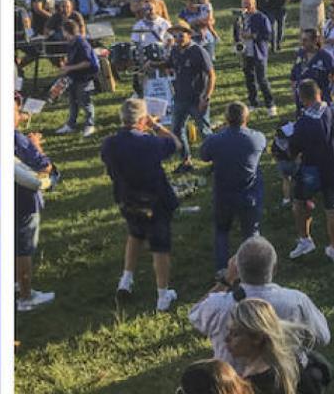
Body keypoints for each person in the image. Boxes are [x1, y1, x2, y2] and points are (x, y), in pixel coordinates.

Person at [190, 236, 329, 372]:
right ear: (274, 269)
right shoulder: (296, 301)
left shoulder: (217, 305)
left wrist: (227, 279)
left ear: (237, 269)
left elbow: (194, 314)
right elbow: (323, 337)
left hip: (232, 384)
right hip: (283, 382)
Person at [101, 96, 181, 312]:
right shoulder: (150, 142)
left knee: (135, 234)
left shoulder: (109, 144)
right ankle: (163, 295)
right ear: (143, 119)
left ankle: (126, 280)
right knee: (160, 247)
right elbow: (175, 143)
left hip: (127, 198)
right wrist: (156, 126)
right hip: (155, 200)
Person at [198, 102, 268, 276]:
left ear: (226, 119)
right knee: (251, 233)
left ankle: (223, 269)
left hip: (224, 194)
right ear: (246, 118)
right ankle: (254, 269)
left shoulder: (215, 140)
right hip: (249, 194)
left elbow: (204, 155)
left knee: (222, 231)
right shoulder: (257, 138)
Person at [286, 78, 334, 264]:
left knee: (299, 203)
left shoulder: (304, 123)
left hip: (311, 172)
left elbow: (292, 151)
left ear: (303, 99)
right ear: (319, 93)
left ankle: (305, 240)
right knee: (333, 210)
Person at [13, 100, 57, 312]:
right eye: (15, 110)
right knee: (24, 249)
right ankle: (26, 297)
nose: (19, 113)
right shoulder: (17, 139)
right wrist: (36, 144)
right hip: (25, 201)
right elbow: (45, 166)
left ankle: (15, 284)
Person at [168, 17, 217, 171]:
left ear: (189, 35)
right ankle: (186, 160)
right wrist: (154, 63)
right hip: (180, 98)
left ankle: (217, 162)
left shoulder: (198, 51)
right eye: (174, 36)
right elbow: (170, 64)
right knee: (176, 129)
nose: (177, 39)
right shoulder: (175, 50)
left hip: (197, 99)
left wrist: (206, 97)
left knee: (205, 131)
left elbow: (212, 75)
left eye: (180, 35)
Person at [53, 15, 101, 134]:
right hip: (74, 76)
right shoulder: (72, 42)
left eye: (63, 31)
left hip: (84, 78)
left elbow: (87, 62)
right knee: (72, 101)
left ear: (66, 31)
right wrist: (66, 64)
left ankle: (90, 124)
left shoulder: (81, 43)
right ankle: (71, 124)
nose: (63, 34)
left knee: (85, 101)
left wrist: (69, 67)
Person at [236, 0, 278, 116]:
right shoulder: (240, 17)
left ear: (254, 4)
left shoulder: (261, 17)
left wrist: (253, 36)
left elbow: (268, 35)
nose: (246, 7)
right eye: (244, 4)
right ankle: (253, 102)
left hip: (258, 52)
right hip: (245, 52)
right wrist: (238, 37)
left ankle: (270, 105)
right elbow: (236, 31)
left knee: (262, 79)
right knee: (249, 79)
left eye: (248, 4)